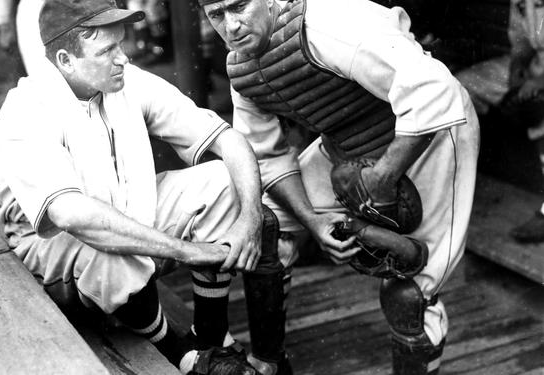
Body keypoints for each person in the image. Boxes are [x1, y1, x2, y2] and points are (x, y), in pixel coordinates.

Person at [0, 0, 293, 373]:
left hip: (121, 212)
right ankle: (176, 350)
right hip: (51, 255)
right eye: (107, 51)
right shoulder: (26, 109)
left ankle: (211, 338)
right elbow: (74, 215)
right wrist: (188, 251)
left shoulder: (123, 80)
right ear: (66, 61)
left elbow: (227, 140)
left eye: (121, 44)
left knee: (221, 181)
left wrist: (249, 218)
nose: (124, 59)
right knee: (106, 244)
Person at [200, 0, 480, 374]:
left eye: (239, 6)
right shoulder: (243, 67)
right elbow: (266, 156)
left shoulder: (328, 21)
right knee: (270, 223)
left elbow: (434, 90)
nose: (231, 25)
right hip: (349, 144)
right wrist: (312, 221)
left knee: (410, 296)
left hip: (433, 135)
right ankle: (270, 362)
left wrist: (383, 178)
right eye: (216, 14)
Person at [457, 0, 544, 243]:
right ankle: (451, 190)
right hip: (533, 64)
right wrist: (518, 69)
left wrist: (537, 83)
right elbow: (522, 40)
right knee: (459, 88)